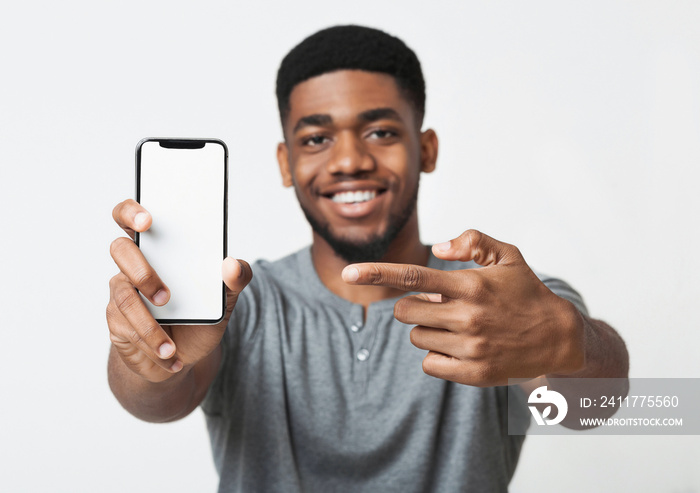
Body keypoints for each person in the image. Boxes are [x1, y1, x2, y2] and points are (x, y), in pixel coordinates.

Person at [107, 25, 629, 492]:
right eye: (316, 138)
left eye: (380, 132)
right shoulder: (240, 300)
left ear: (425, 150)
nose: (350, 160)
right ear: (286, 163)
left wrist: (569, 341)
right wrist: (153, 363)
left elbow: (596, 406)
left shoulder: (498, 302)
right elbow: (158, 402)